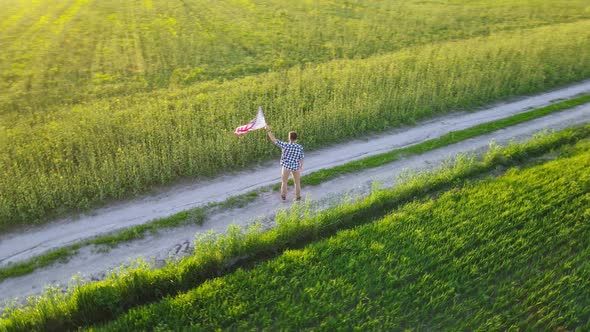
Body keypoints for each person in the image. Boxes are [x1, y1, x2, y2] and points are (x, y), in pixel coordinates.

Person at [265, 126, 304, 201]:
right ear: (296, 138)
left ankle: (283, 196)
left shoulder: (286, 145)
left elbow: (274, 140)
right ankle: (298, 197)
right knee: (297, 182)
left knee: (284, 182)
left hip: (286, 166)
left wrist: (268, 130)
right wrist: (301, 166)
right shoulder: (300, 147)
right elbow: (301, 158)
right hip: (296, 166)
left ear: (289, 137)